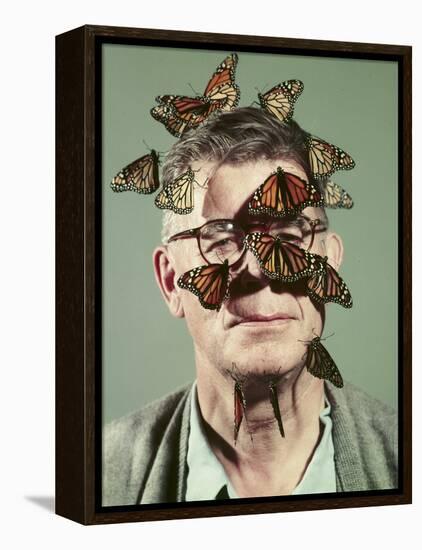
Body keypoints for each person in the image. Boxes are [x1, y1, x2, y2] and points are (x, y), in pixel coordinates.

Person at [102, 108, 397, 506]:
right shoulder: (99, 474)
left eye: (290, 235)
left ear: (327, 264)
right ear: (171, 281)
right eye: (220, 239)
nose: (258, 271)